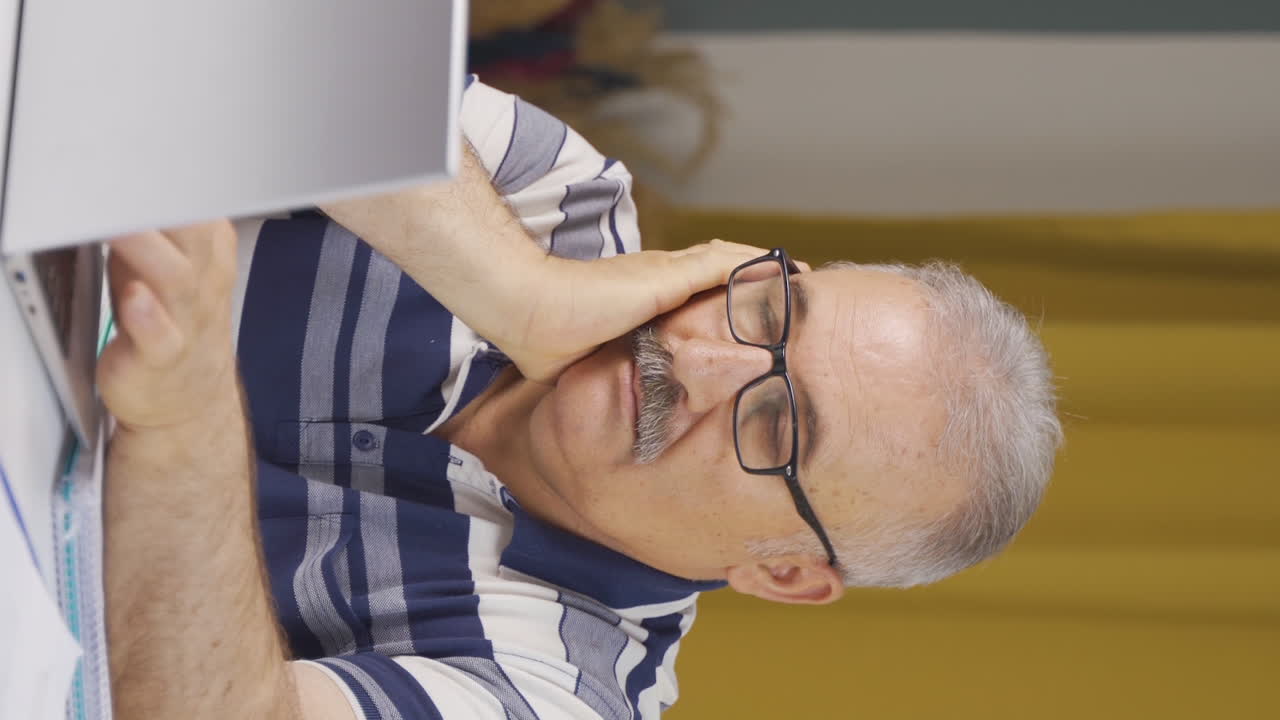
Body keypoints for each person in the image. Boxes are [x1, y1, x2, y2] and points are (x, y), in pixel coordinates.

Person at [99, 78, 1061, 720]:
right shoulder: (554, 192)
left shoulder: (562, 689)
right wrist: (517, 290)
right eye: (769, 313)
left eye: (776, 424)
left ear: (785, 573)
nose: (700, 361)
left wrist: (184, 425)